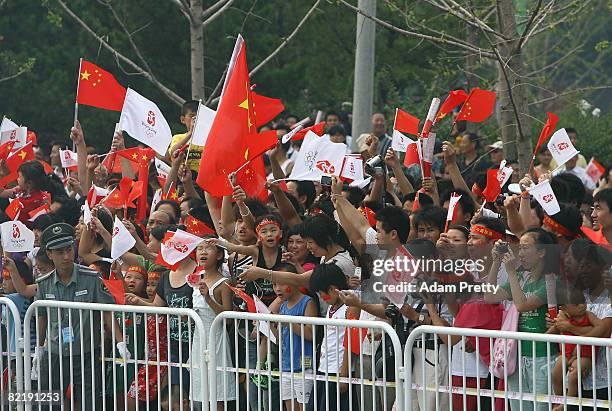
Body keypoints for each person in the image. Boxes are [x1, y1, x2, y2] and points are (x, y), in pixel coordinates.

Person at [34, 222, 128, 410]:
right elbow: (42, 316)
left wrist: (120, 342)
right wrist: (39, 348)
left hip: (86, 354)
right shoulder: (43, 284)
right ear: (50, 254)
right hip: (54, 354)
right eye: (60, 252)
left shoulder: (90, 278)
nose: (67, 256)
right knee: (47, 404)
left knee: (90, 403)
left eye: (69, 250)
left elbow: (107, 310)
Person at [484, 228, 560, 411]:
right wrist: (496, 262)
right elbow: (489, 296)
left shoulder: (550, 281)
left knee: (542, 407)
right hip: (516, 355)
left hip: (542, 356)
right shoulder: (520, 276)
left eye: (526, 248)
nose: (521, 253)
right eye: (520, 248)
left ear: (541, 252)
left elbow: (522, 305)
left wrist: (510, 272)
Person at [191, 237, 236, 410]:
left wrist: (208, 298)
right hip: (198, 339)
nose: (202, 252)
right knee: (200, 385)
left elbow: (227, 316)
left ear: (218, 256)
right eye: (199, 249)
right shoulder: (195, 279)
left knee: (217, 386)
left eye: (208, 249)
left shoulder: (223, 283)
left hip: (216, 338)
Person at [307, 264, 359, 411]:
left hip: (339, 372)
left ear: (331, 289)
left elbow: (351, 342)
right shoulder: (331, 307)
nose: (322, 298)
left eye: (321, 293)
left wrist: (344, 375)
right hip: (324, 369)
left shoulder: (351, 307)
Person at [547, 284, 601, 410]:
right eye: (576, 304)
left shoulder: (589, 315)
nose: (582, 305)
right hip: (566, 353)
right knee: (555, 373)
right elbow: (550, 333)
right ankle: (559, 399)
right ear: (564, 308)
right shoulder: (563, 318)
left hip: (585, 355)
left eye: (583, 301)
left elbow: (600, 327)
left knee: (573, 374)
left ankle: (567, 403)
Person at [273, 264, 318, 410]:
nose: (277, 288)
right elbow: (280, 339)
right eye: (274, 284)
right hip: (285, 365)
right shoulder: (283, 306)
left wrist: (288, 322)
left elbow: (311, 334)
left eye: (281, 283)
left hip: (304, 365)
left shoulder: (307, 302)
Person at [167, 100, 201, 173]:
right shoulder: (178, 138)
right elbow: (173, 152)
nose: (195, 120)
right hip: (184, 179)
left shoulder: (208, 139)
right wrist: (190, 133)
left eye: (198, 116)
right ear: (183, 119)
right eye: (192, 116)